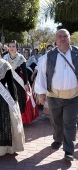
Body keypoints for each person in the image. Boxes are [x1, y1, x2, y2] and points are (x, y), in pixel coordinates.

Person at [34, 29, 78, 161]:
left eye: (65, 36)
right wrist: (41, 93)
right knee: (56, 121)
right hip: (54, 97)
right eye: (60, 36)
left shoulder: (77, 53)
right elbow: (41, 75)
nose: (62, 39)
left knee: (70, 122)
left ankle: (68, 150)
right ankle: (58, 139)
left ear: (69, 38)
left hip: (73, 97)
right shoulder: (48, 56)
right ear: (55, 39)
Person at [4, 40, 39, 124]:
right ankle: (9, 118)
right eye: (10, 46)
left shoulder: (21, 57)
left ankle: (19, 119)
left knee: (19, 99)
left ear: (17, 48)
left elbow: (25, 71)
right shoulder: (5, 57)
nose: (12, 48)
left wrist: (26, 83)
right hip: (7, 80)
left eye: (13, 46)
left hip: (18, 81)